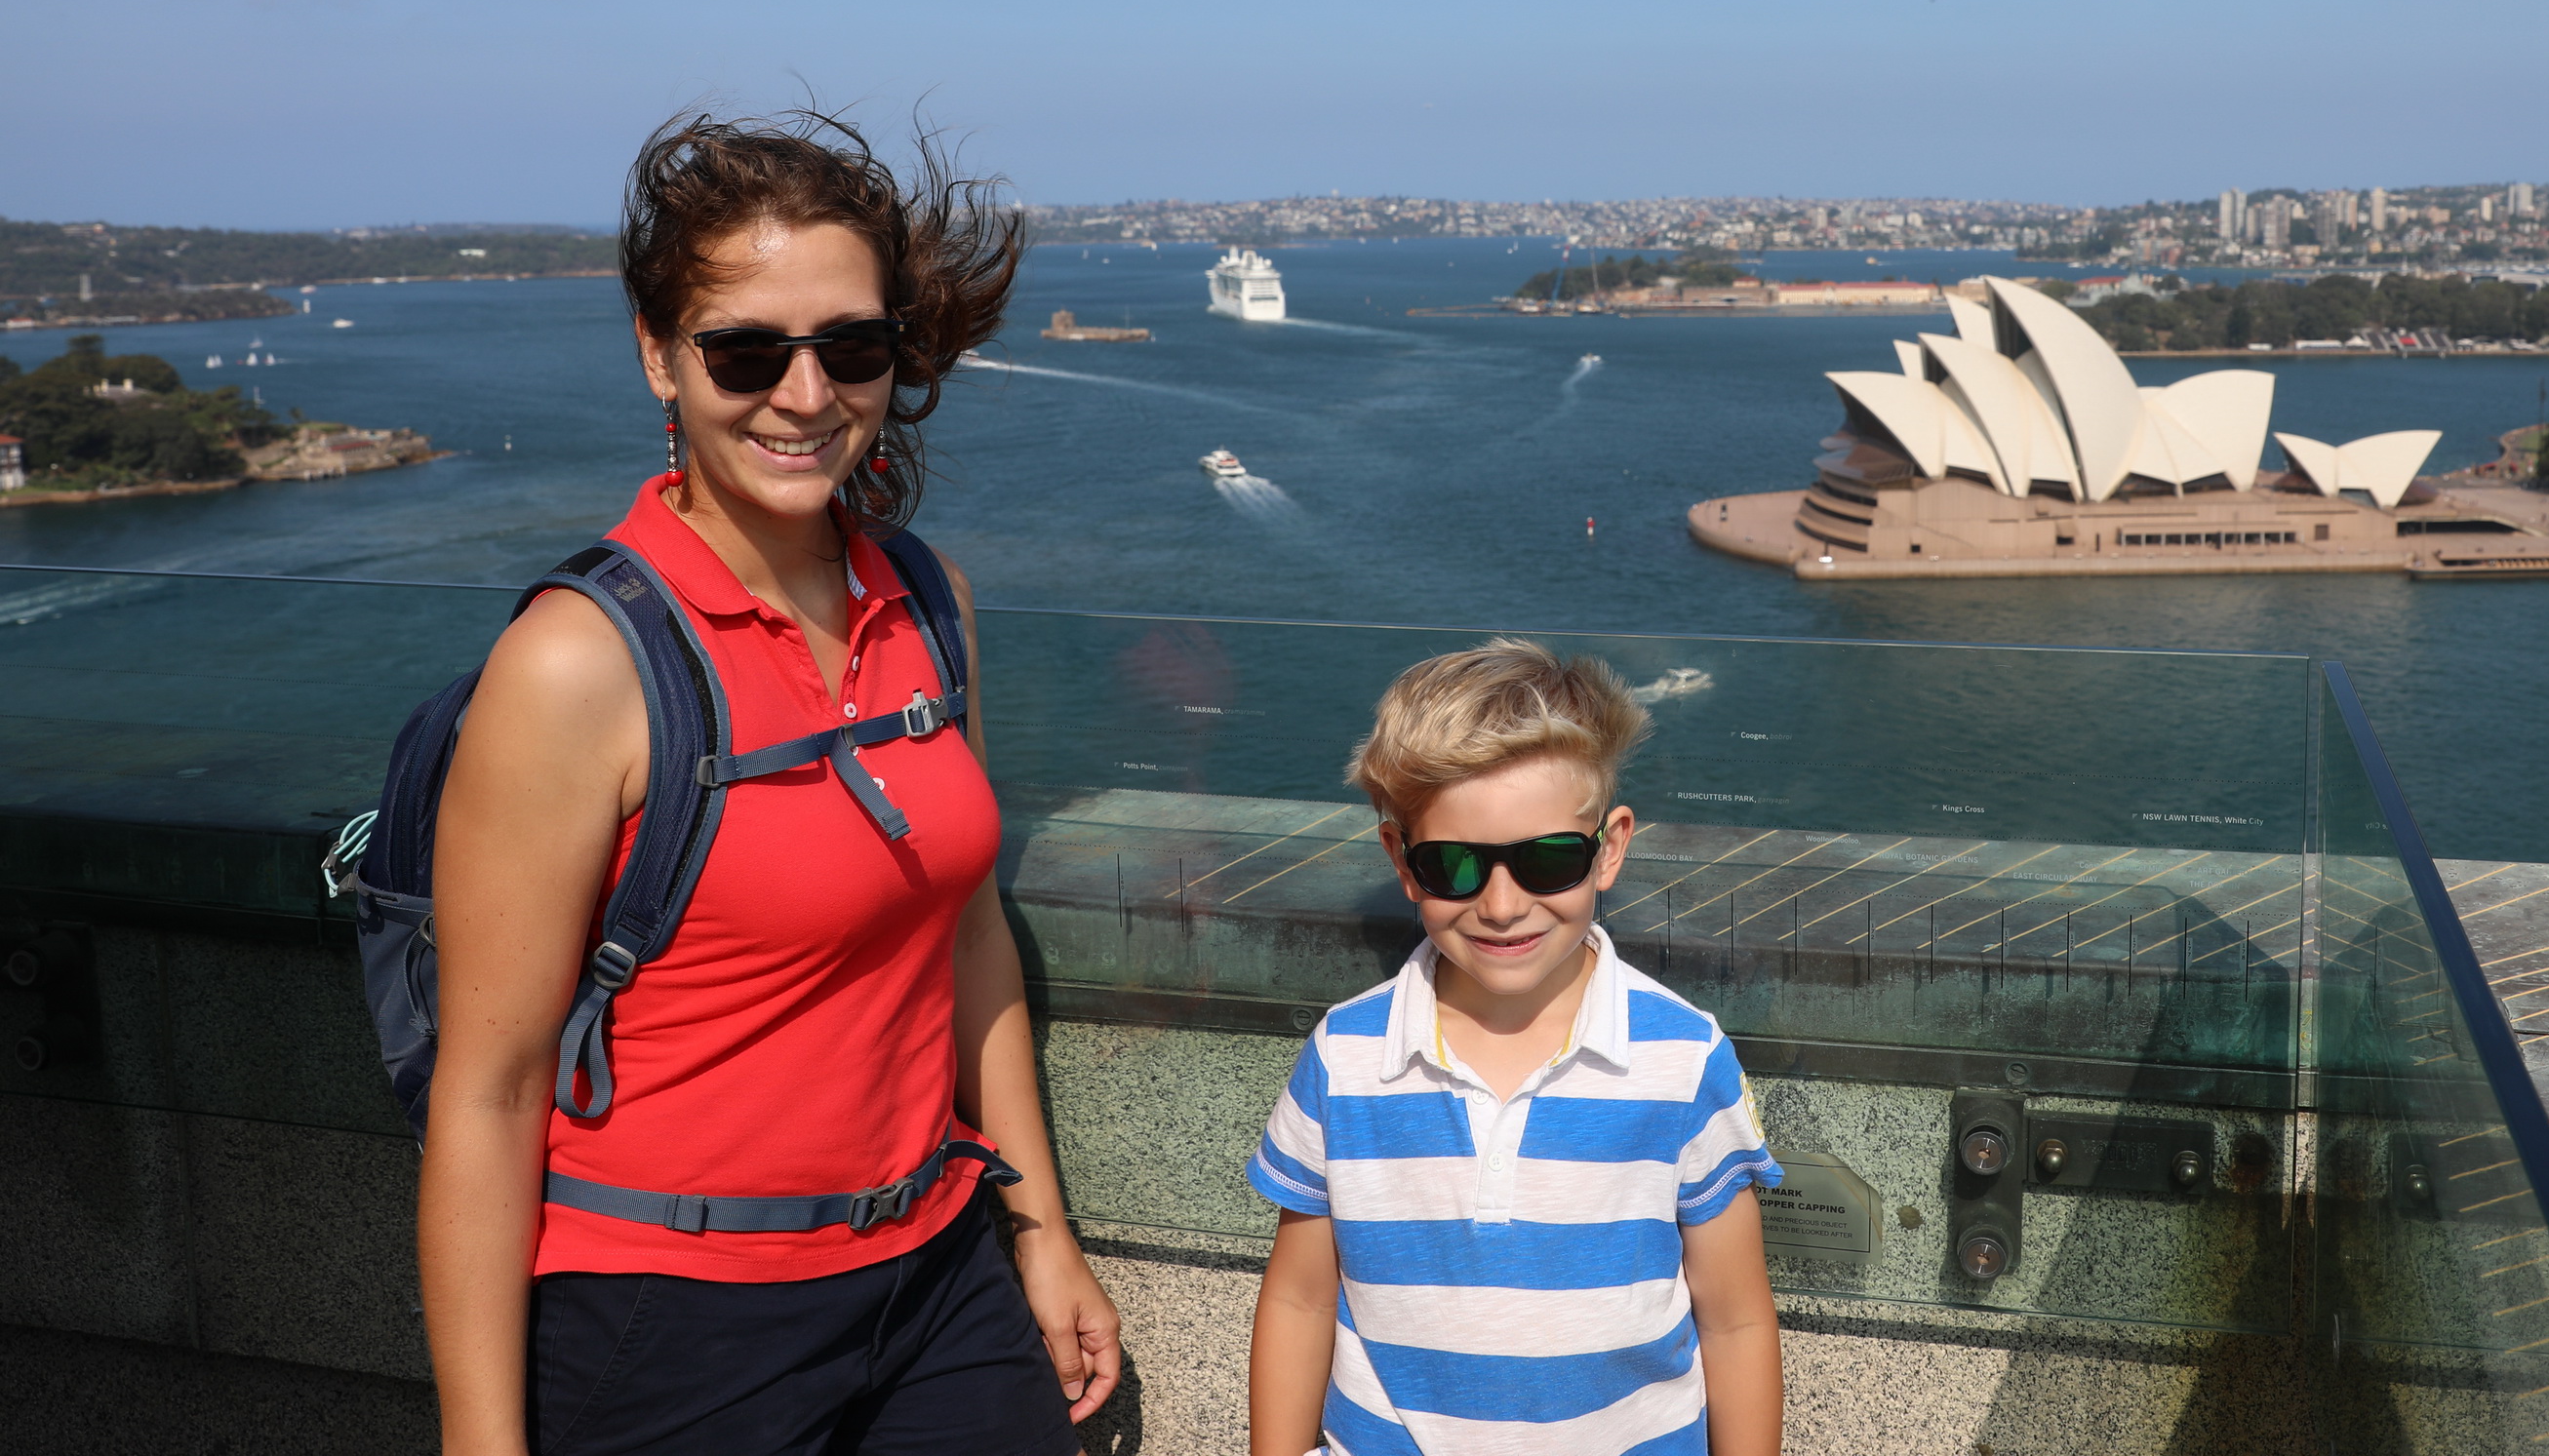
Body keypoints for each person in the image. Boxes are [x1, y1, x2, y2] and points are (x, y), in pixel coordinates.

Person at [422, 112, 1121, 1456]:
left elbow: (967, 936)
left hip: (935, 1276)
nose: (806, 396)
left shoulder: (924, 598)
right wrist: (480, 1438)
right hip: (672, 1319)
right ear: (657, 355)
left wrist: (1037, 1233)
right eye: (748, 349)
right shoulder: (580, 664)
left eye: (851, 346)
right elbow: (491, 1090)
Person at [1246, 641, 1784, 1456]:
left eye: (1547, 861)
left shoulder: (1683, 1058)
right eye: (1454, 866)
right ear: (1402, 861)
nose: (1502, 905)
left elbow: (1738, 1319)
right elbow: (1299, 1300)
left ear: (1609, 848)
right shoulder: (1345, 1057)